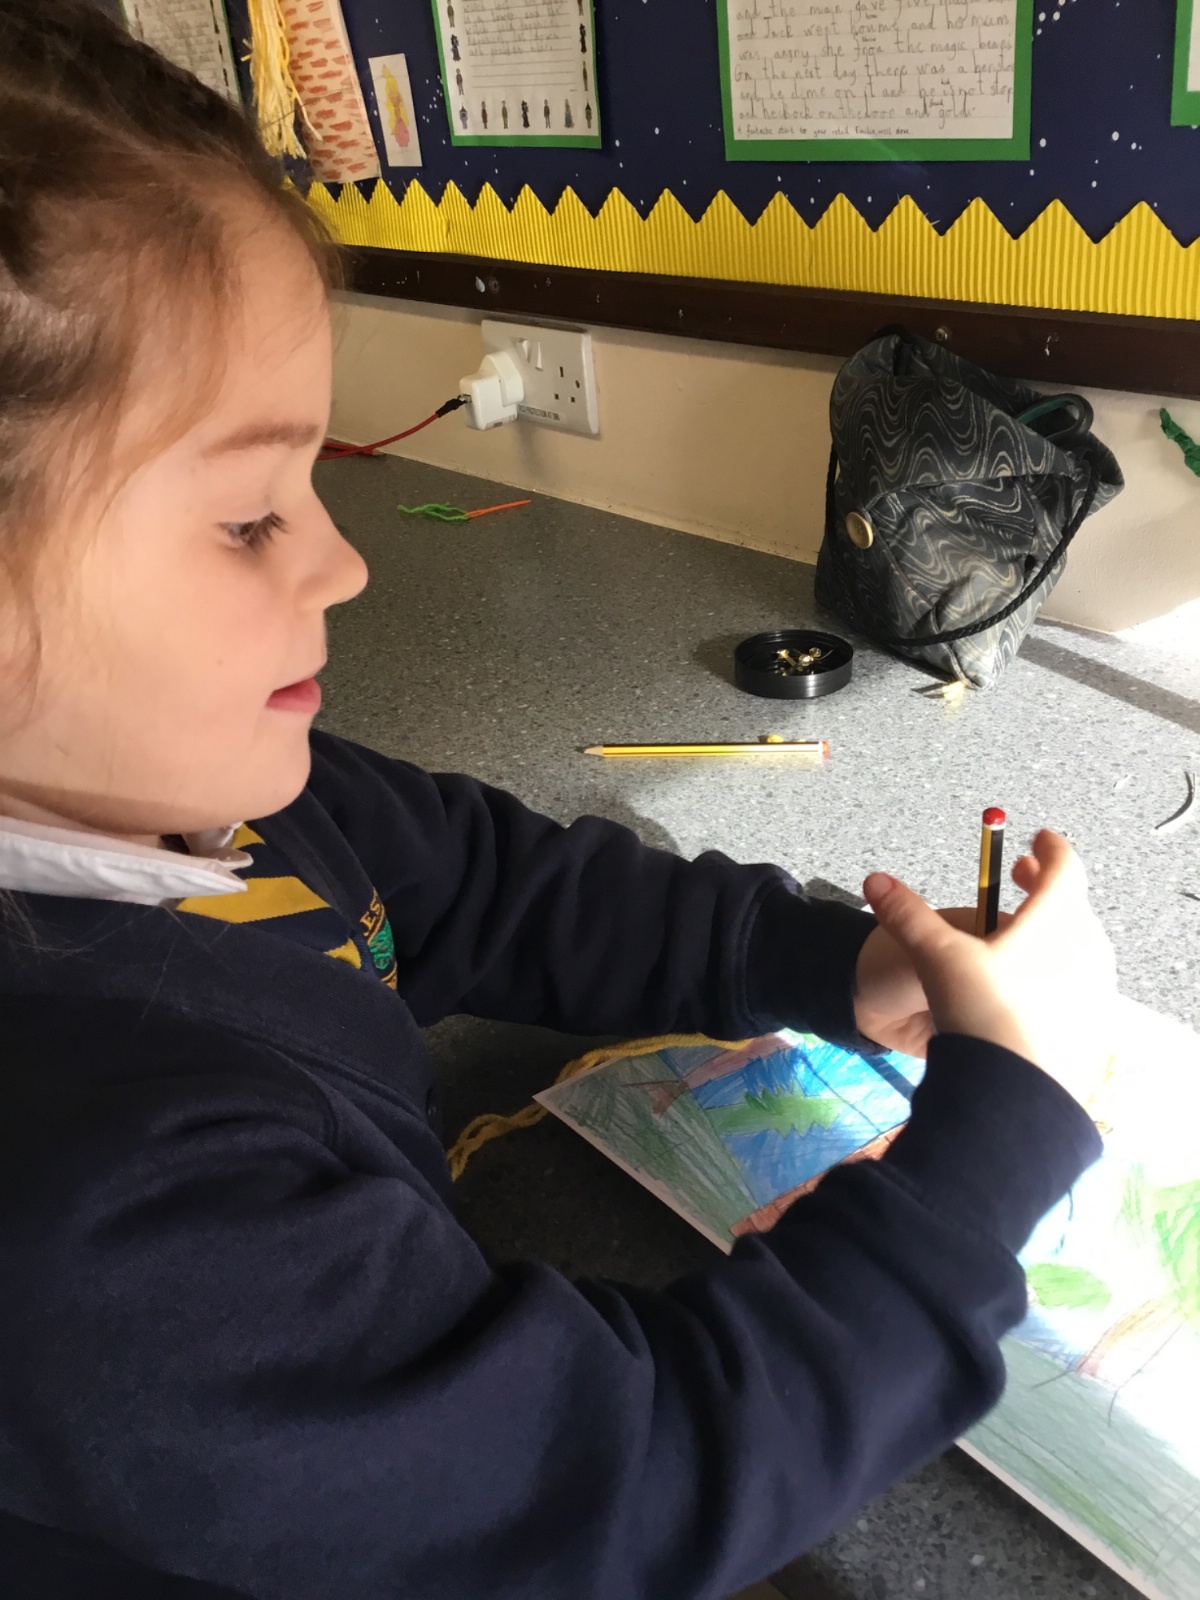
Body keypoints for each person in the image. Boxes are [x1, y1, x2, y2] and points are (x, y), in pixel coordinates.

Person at [0, 5, 1116, 1599]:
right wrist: (1011, 1126)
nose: (344, 562)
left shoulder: (179, 790)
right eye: (248, 517)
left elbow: (483, 880)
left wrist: (827, 963)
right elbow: (634, 1480)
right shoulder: (98, 1213)